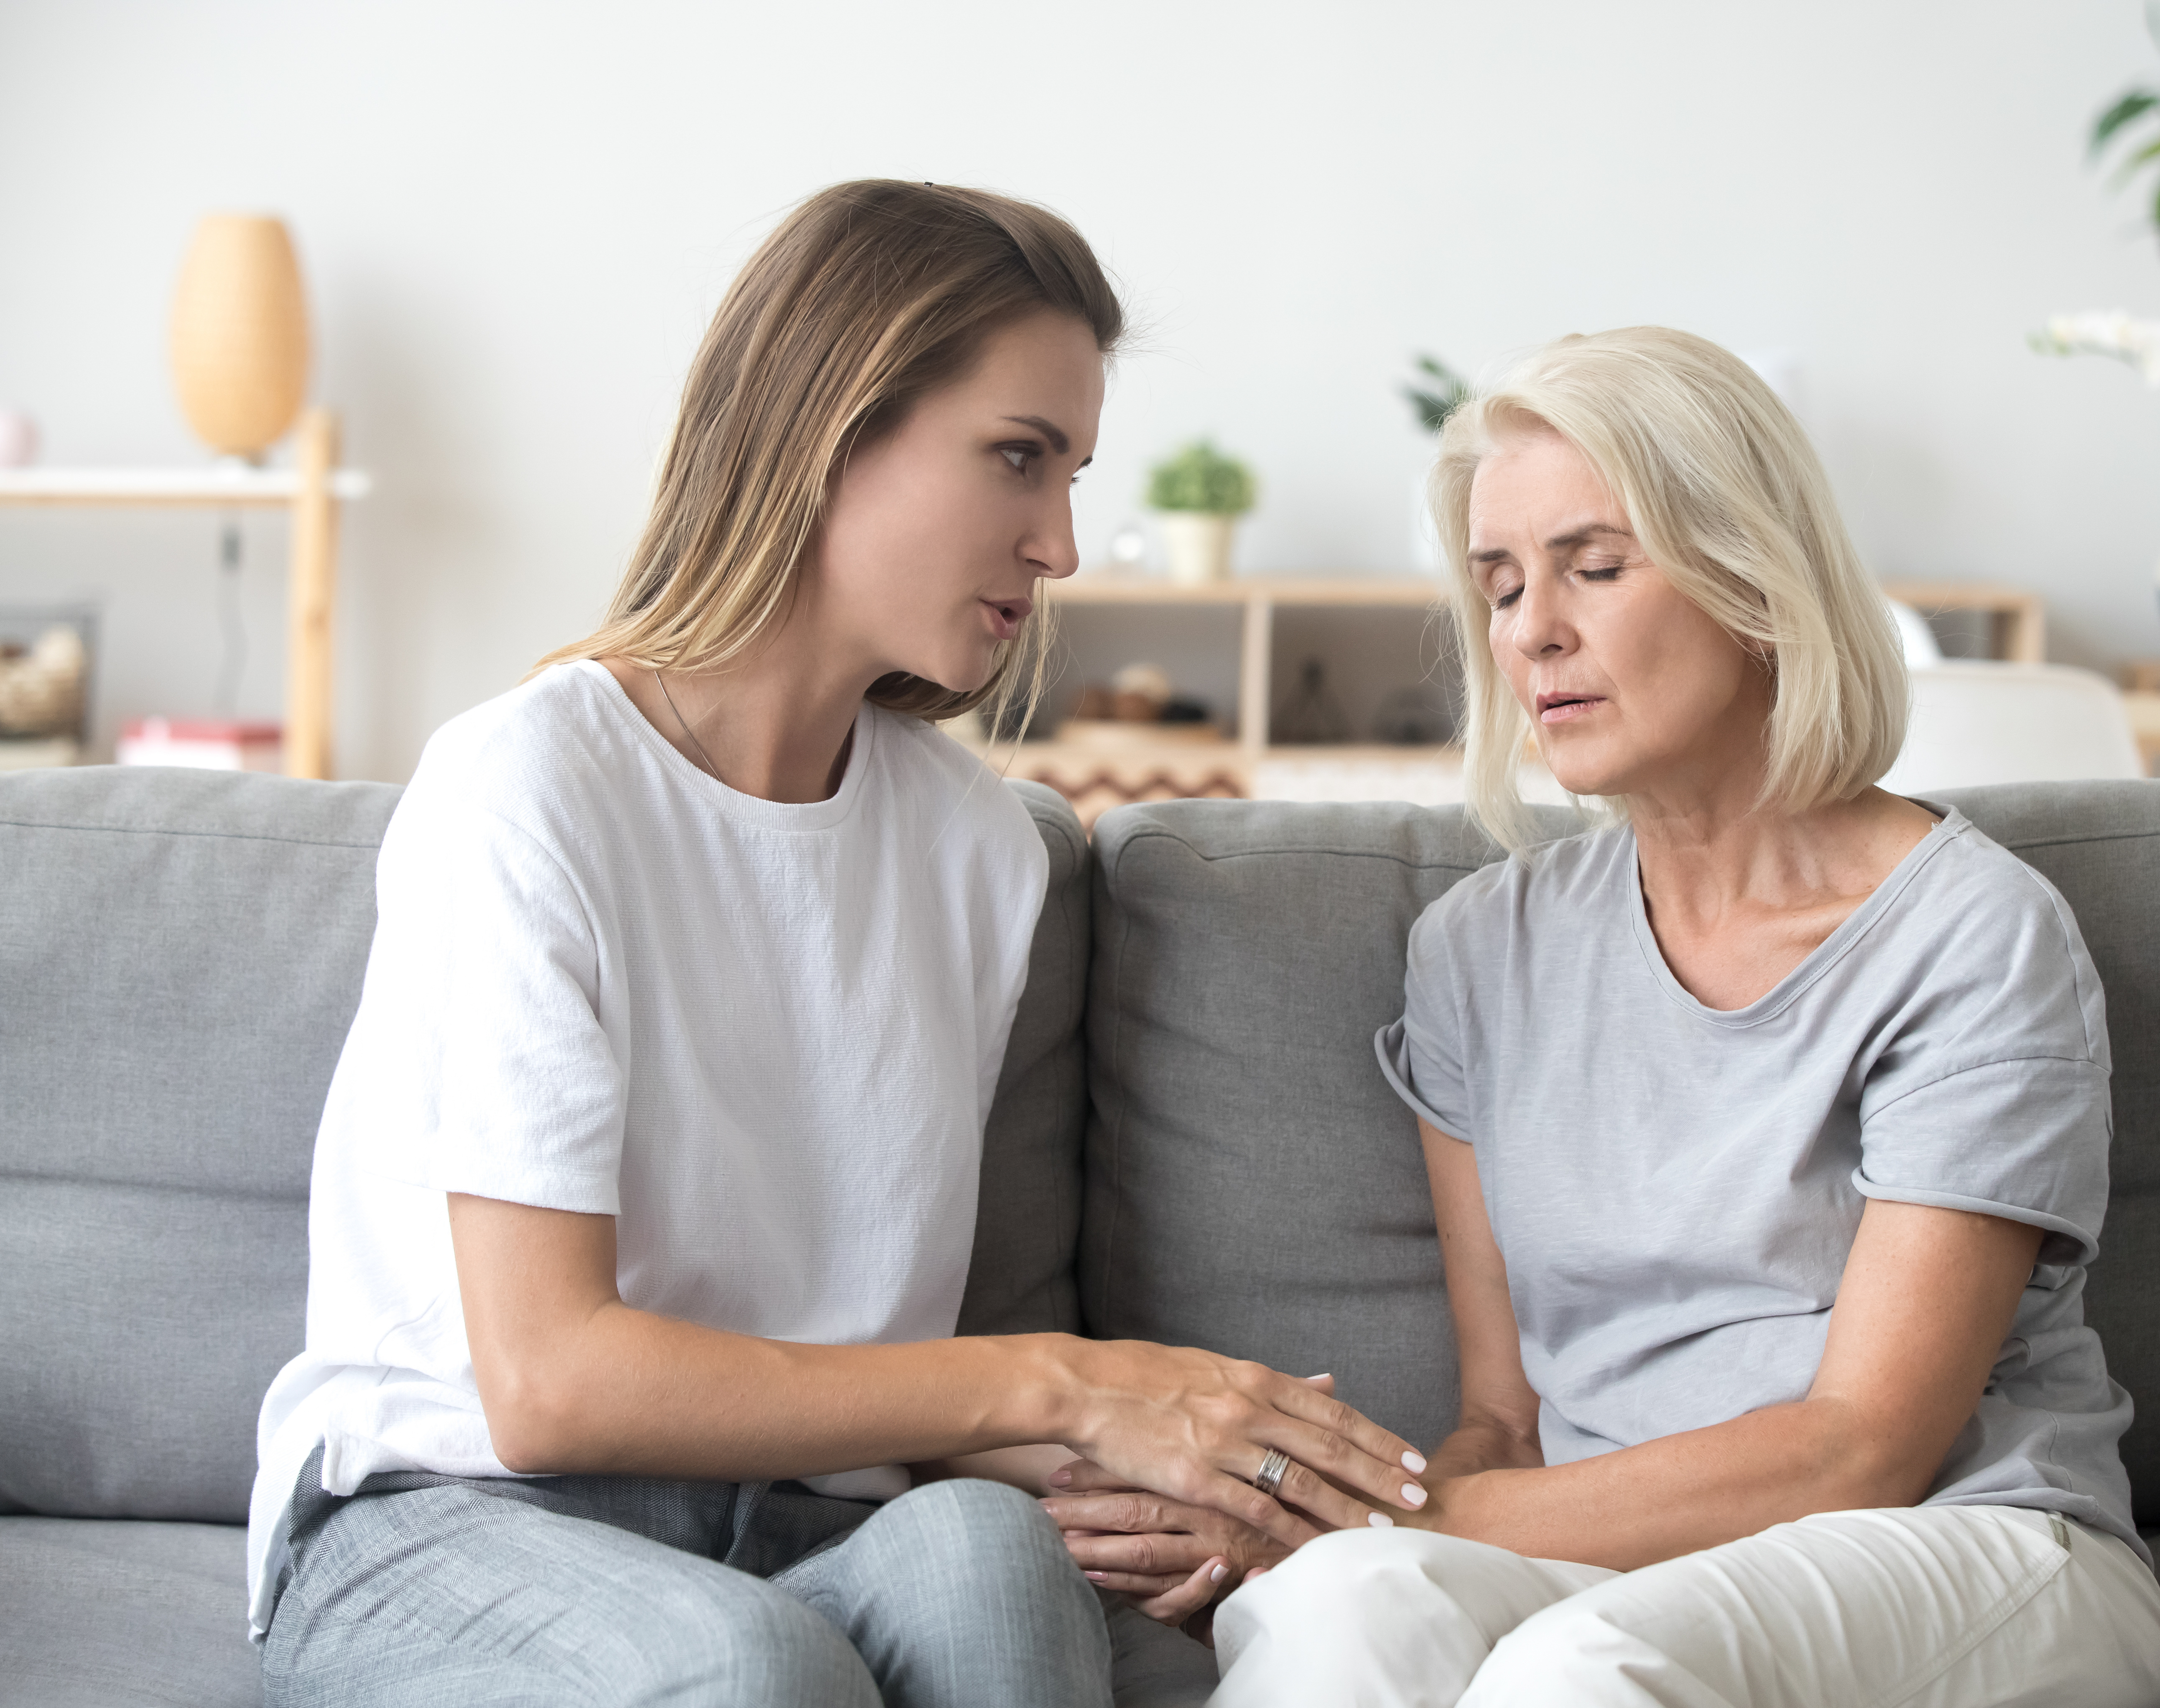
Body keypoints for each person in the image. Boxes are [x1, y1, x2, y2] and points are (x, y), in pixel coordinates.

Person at [247, 179, 1426, 1708]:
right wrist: (1073, 1382)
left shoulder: (975, 851)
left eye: (1069, 472)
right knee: (751, 1669)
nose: (1059, 542)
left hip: (799, 1515)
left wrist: (1183, 1464)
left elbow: (869, 1368)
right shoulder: (530, 787)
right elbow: (545, 1384)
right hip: (449, 1524)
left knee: (994, 1568)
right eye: (1017, 458)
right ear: (831, 427)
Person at [1045, 328, 2160, 1706]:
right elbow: (1503, 1420)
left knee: (1578, 1668)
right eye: (1502, 584)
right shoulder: (1480, 952)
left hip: (1970, 1541)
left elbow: (1860, 1447)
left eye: (1593, 566)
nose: (1532, 632)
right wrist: (1316, 1525)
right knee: (1337, 1607)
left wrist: (1338, 1513)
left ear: (1756, 578)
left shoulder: (1970, 935)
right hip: (1614, 1557)